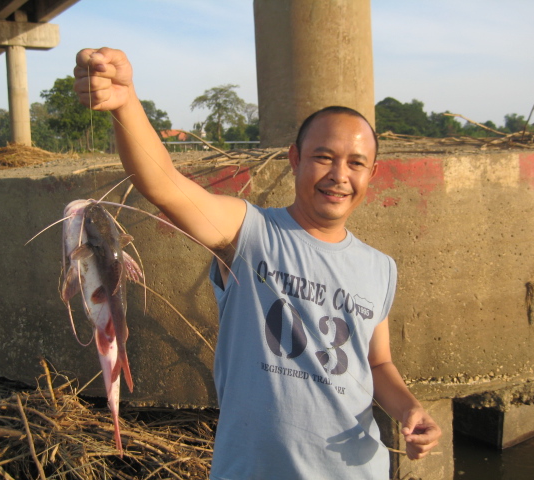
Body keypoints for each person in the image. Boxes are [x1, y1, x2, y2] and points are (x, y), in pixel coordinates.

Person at [74, 47, 441, 479]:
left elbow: (378, 364)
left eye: (356, 163)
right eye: (323, 156)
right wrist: (126, 102)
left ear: (371, 175)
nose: (340, 175)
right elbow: (165, 185)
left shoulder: (380, 268)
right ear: (294, 159)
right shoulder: (248, 232)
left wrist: (410, 408)